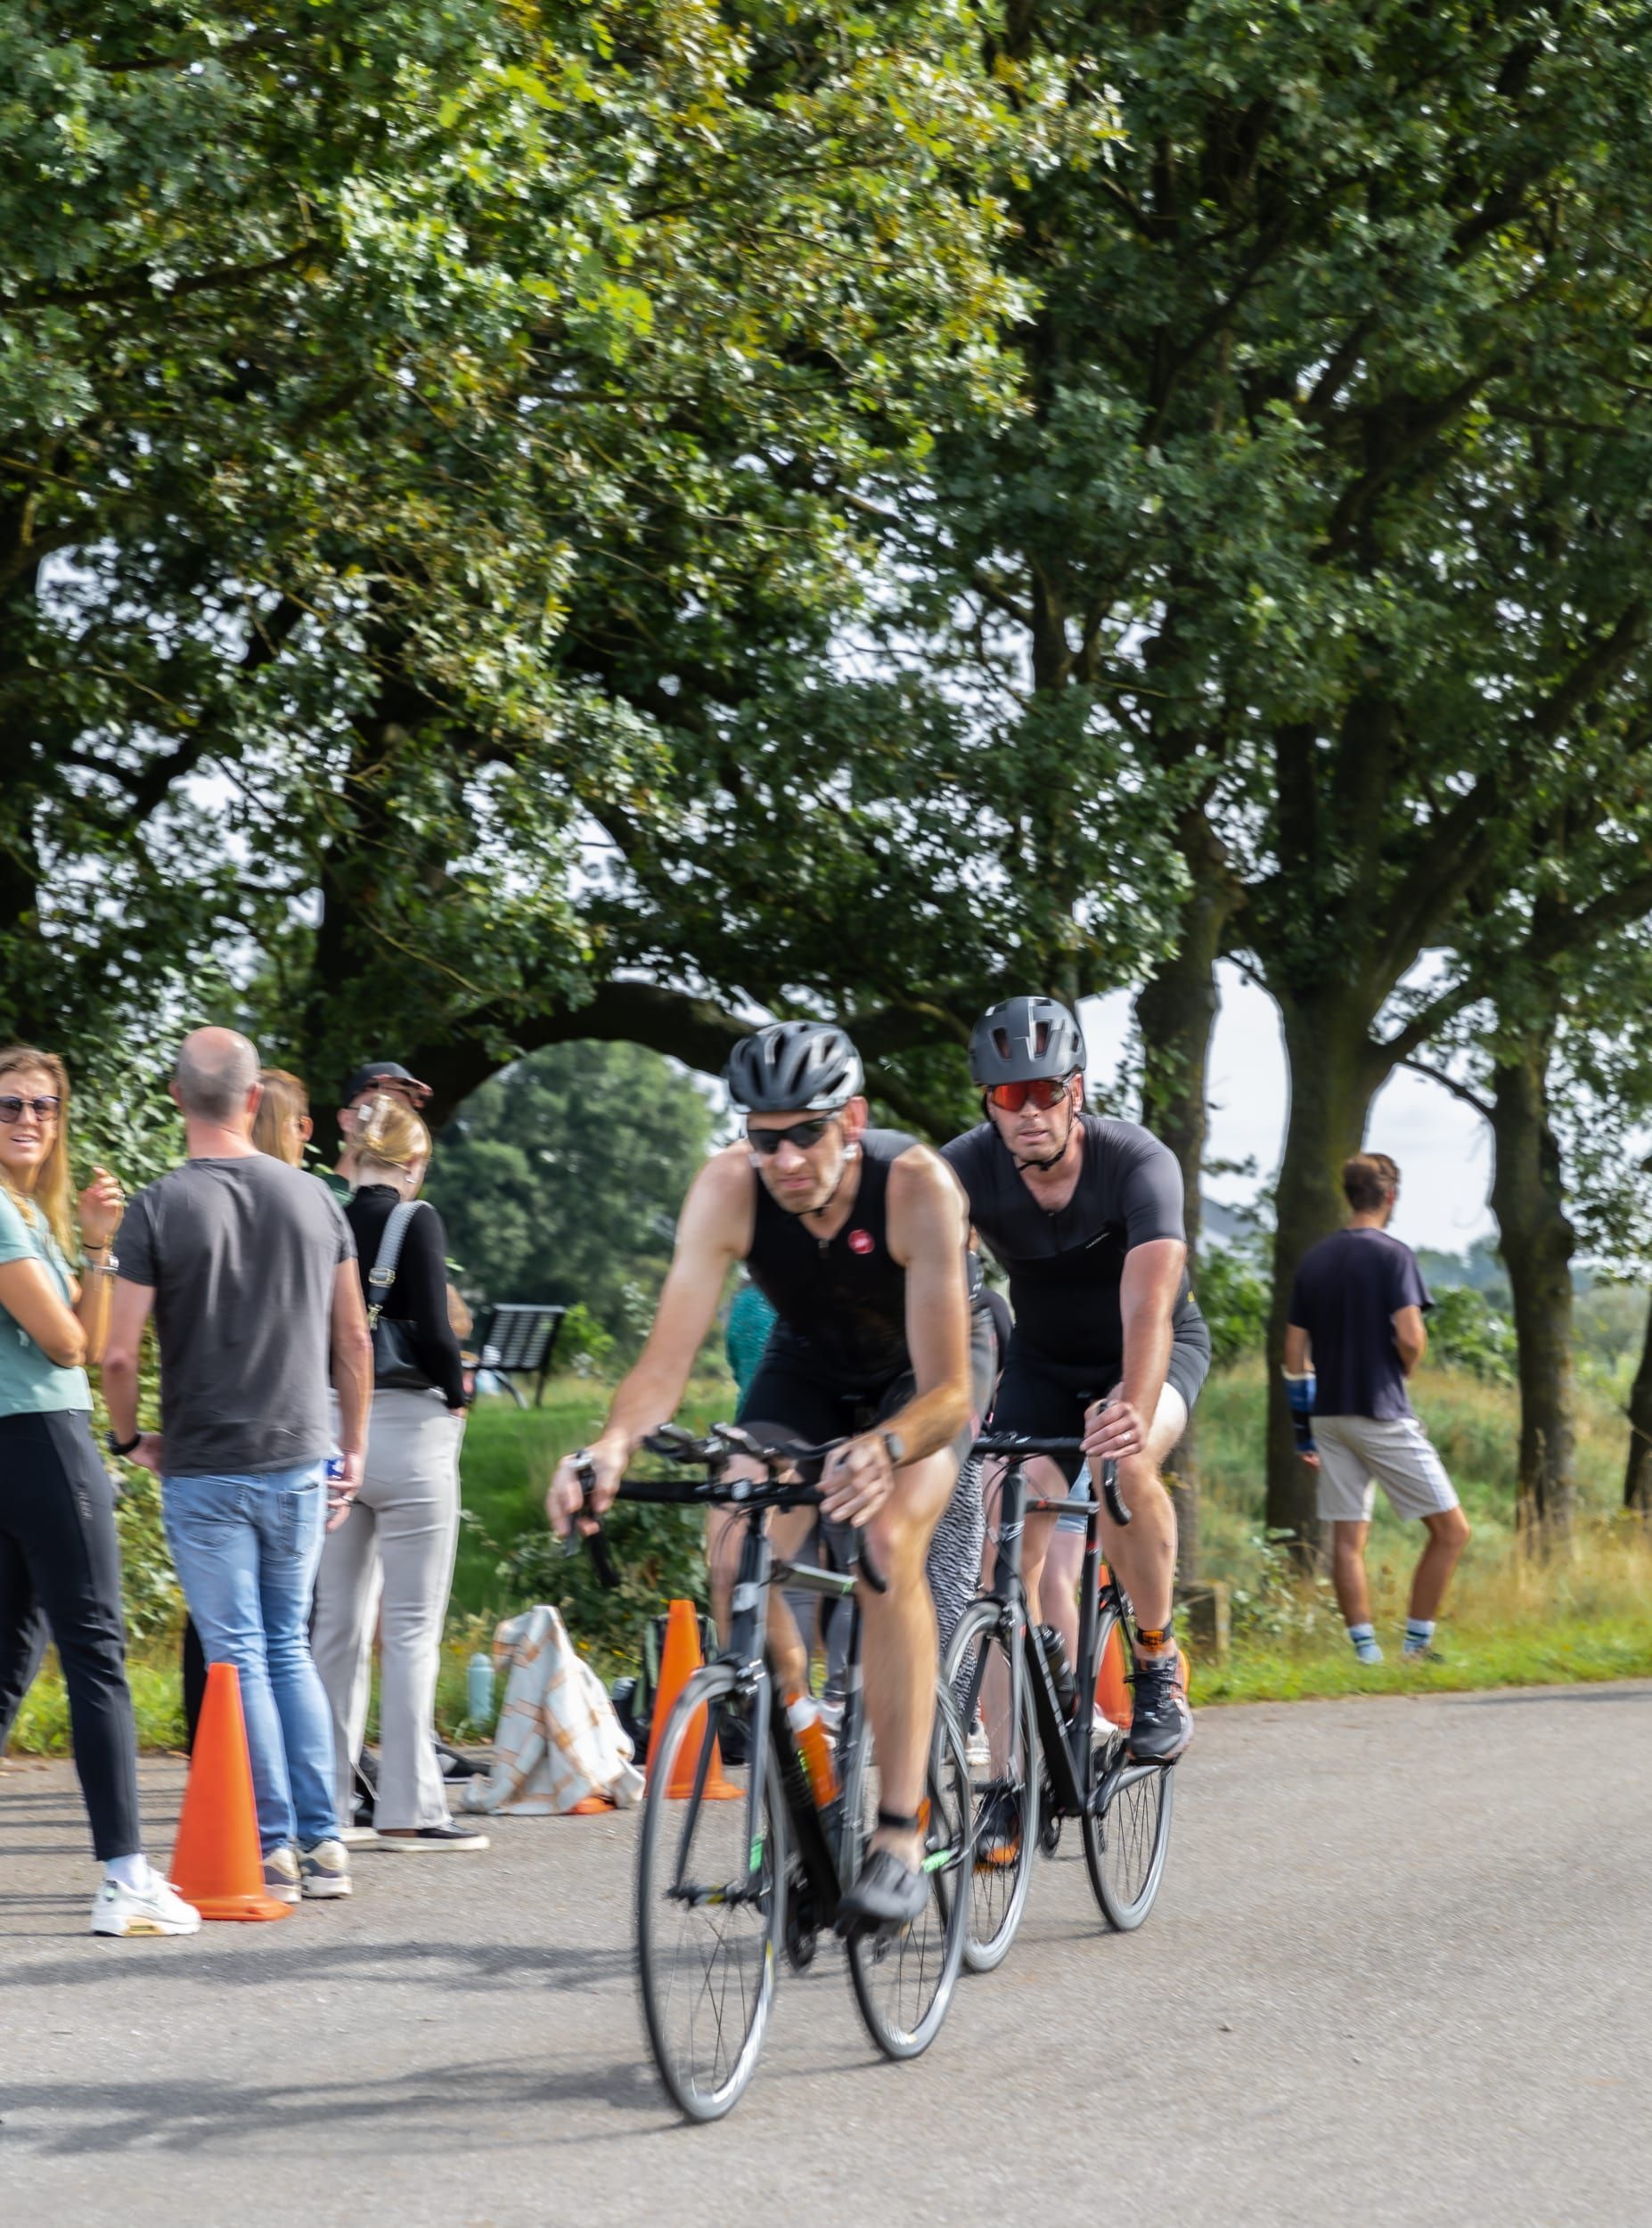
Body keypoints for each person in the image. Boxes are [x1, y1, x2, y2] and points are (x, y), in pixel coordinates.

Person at [547, 1020, 989, 1929]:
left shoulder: (917, 1187)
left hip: (923, 1375)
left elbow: (949, 1390)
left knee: (883, 1539)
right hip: (812, 1363)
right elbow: (663, 1367)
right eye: (763, 1135)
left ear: (852, 1120)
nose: (784, 1157)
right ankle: (810, 1765)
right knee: (733, 1539)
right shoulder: (727, 1189)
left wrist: (888, 1445)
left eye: (806, 1133)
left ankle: (901, 1831)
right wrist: (611, 1448)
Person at [102, 1028, 374, 1906]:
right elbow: (353, 1338)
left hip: (204, 1463)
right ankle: (326, 1839)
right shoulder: (315, 1198)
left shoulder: (156, 1207)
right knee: (288, 1645)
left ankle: (275, 1844)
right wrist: (355, 1445)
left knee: (238, 1653)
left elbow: (116, 1353)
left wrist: (125, 1436)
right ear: (255, 1101)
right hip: (300, 1452)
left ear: (178, 1098)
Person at [941, 995, 1211, 1798]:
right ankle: (1007, 1786)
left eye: (1044, 1092)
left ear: (1077, 1091)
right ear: (988, 1102)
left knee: (1126, 1467)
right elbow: (943, 1290)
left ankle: (1156, 1665)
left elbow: (1150, 1305)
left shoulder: (1137, 1162)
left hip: (1152, 1351)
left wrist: (1131, 1400)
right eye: (1007, 1096)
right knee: (1000, 1535)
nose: (1028, 1112)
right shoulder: (964, 1168)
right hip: (1045, 1363)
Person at [0, 1044, 199, 1935]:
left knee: (9, 1660)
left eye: (43, 1105)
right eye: (10, 1105)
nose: (29, 1120)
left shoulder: (25, 1214)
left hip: (25, 1443)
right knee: (98, 1654)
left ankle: (124, 1869)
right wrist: (90, 1251)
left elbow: (84, 1323)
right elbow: (72, 1345)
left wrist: (93, 1245)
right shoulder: (3, 1218)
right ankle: (125, 1874)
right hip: (42, 1442)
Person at [310, 1094, 486, 1851]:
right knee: (411, 1627)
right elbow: (441, 1340)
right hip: (411, 1432)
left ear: (357, 1156)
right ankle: (411, 1806)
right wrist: (459, 1396)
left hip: (332, 1424)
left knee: (336, 1625)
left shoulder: (323, 1219)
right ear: (413, 1162)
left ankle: (328, 1800)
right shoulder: (418, 1222)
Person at [1284, 1152, 1471, 1666]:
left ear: (1350, 1195)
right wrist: (1404, 1368)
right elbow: (1411, 1336)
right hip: (1380, 1410)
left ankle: (1366, 1654)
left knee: (1348, 1539)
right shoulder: (1394, 1256)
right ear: (1390, 1197)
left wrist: (1303, 1432)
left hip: (1328, 1417)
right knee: (1452, 1530)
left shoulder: (1314, 1260)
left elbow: (1293, 1355)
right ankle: (1416, 1645)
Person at [324, 1060, 432, 1200]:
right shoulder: (311, 1195)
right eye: (376, 1107)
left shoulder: (401, 1214)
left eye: (402, 1115)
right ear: (346, 1120)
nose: (390, 1120)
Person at [251, 1067, 315, 1167]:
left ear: (305, 1128)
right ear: (305, 1129)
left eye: (273, 1122)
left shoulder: (222, 1177)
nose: (260, 1132)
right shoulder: (314, 1183)